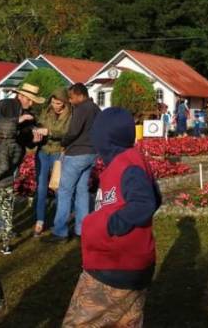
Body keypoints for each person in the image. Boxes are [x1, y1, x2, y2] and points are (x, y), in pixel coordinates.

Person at [62, 108, 161, 327]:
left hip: (115, 263)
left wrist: (108, 225)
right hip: (133, 263)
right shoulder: (127, 161)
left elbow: (145, 203)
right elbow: (155, 197)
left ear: (106, 139)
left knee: (79, 323)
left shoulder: (128, 166)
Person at [0, 83, 43, 255]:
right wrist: (18, 120)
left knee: (7, 199)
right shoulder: (5, 105)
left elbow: (26, 141)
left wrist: (34, 140)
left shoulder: (29, 116)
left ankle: (4, 230)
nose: (31, 104)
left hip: (13, 160)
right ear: (21, 96)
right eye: (30, 100)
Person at [48, 83, 101, 243]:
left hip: (76, 154)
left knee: (64, 192)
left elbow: (73, 131)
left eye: (71, 98)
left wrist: (63, 142)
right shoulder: (96, 108)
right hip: (91, 153)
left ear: (79, 95)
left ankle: (60, 231)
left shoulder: (81, 109)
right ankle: (81, 230)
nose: (70, 101)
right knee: (82, 191)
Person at [32, 86, 72, 237]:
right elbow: (39, 125)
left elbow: (66, 133)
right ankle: (39, 221)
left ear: (65, 103)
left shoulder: (70, 115)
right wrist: (37, 131)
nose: (55, 105)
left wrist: (49, 132)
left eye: (58, 103)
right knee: (41, 188)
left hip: (58, 153)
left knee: (57, 188)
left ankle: (59, 222)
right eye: (53, 102)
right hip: (42, 151)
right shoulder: (46, 111)